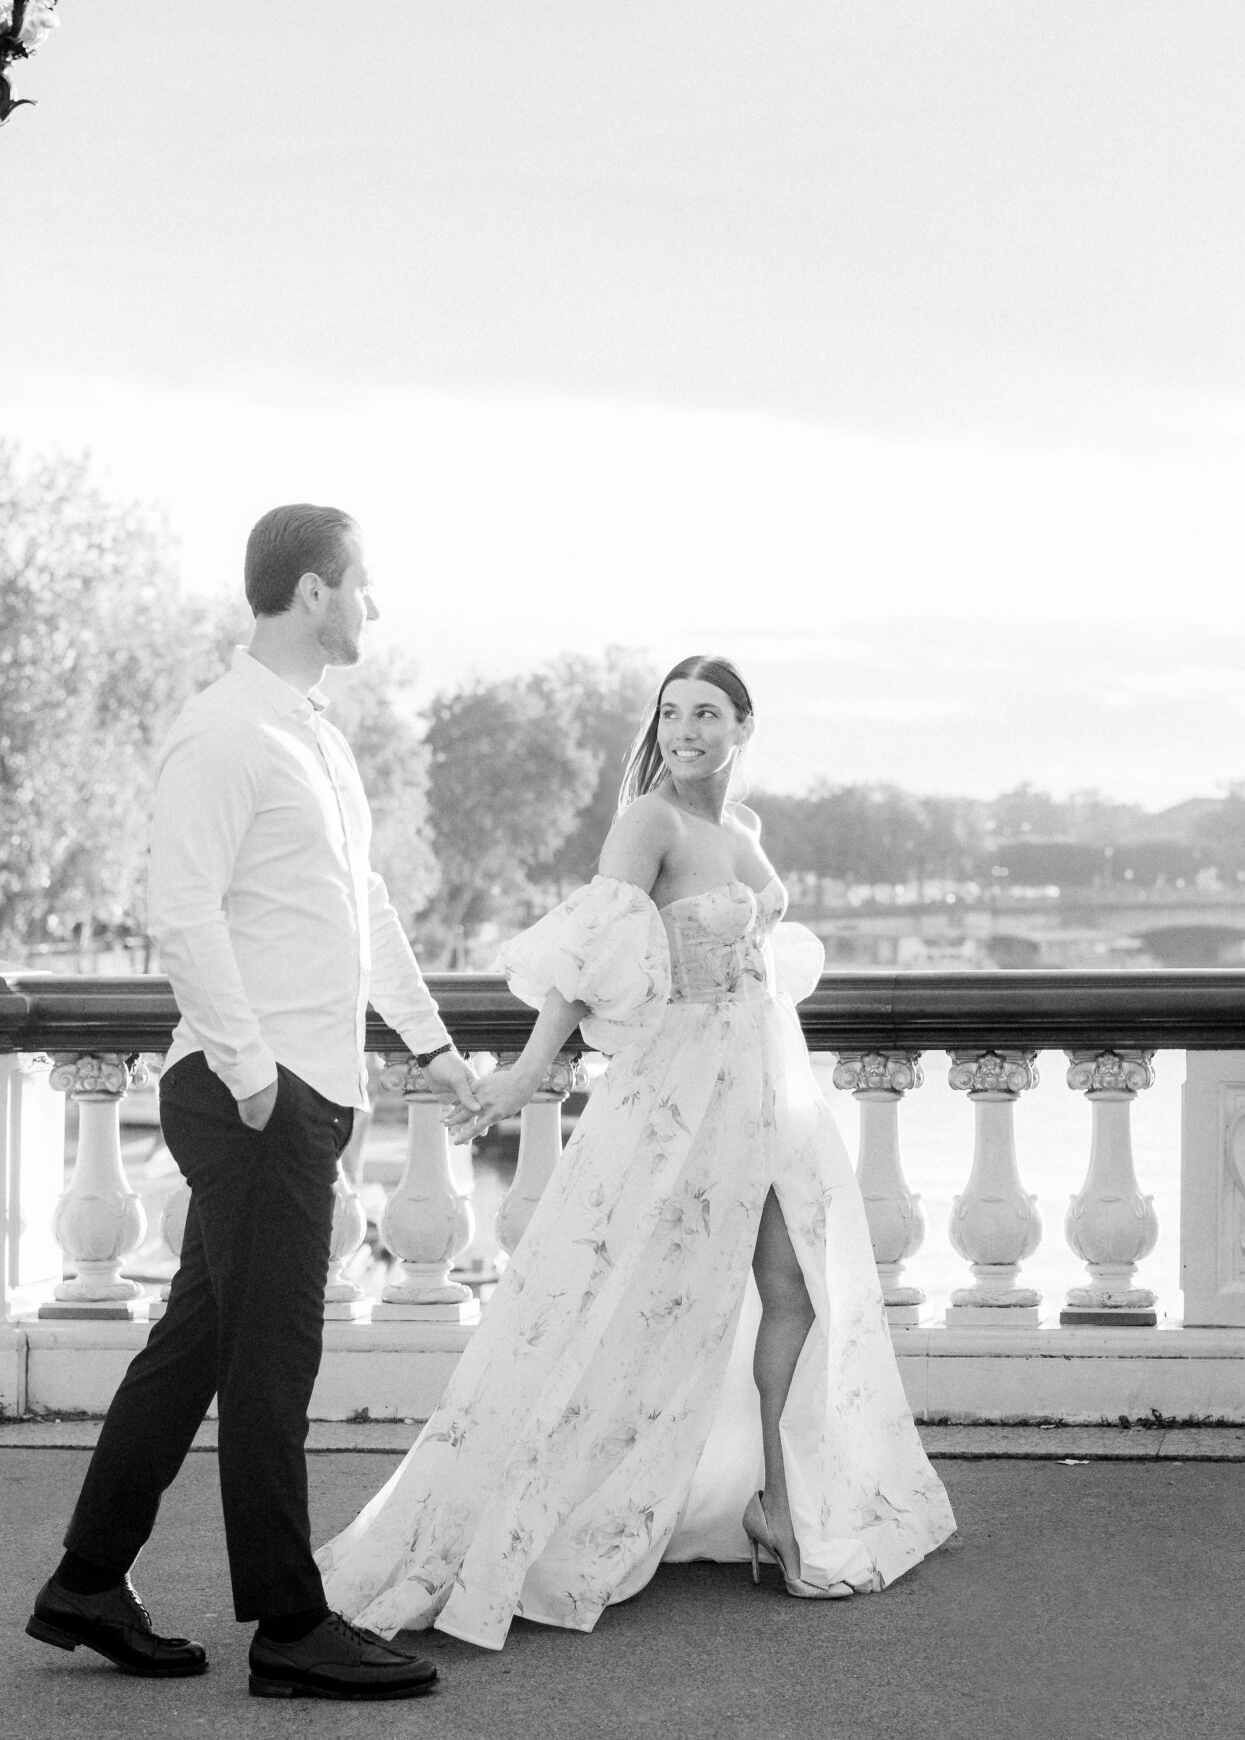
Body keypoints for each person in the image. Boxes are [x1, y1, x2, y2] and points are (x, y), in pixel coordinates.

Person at [317, 655, 955, 1649]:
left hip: (767, 1086)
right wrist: (529, 1072)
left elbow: (763, 966)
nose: (685, 731)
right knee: (622, 1306)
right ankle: (545, 1514)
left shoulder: (739, 831)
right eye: (670, 714)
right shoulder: (647, 823)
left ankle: (782, 1505)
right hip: (681, 1093)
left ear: (743, 725)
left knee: (797, 1292)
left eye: (706, 714)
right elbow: (589, 954)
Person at [27, 504, 476, 1702]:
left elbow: (363, 911)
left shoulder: (315, 740)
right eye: (365, 586)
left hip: (298, 1091)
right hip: (250, 1100)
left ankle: (85, 1581)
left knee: (194, 1353)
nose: (376, 606)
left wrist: (432, 1049)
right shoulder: (222, 734)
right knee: (273, 1364)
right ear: (317, 592)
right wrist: (252, 1072)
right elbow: (181, 909)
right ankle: (289, 1626)